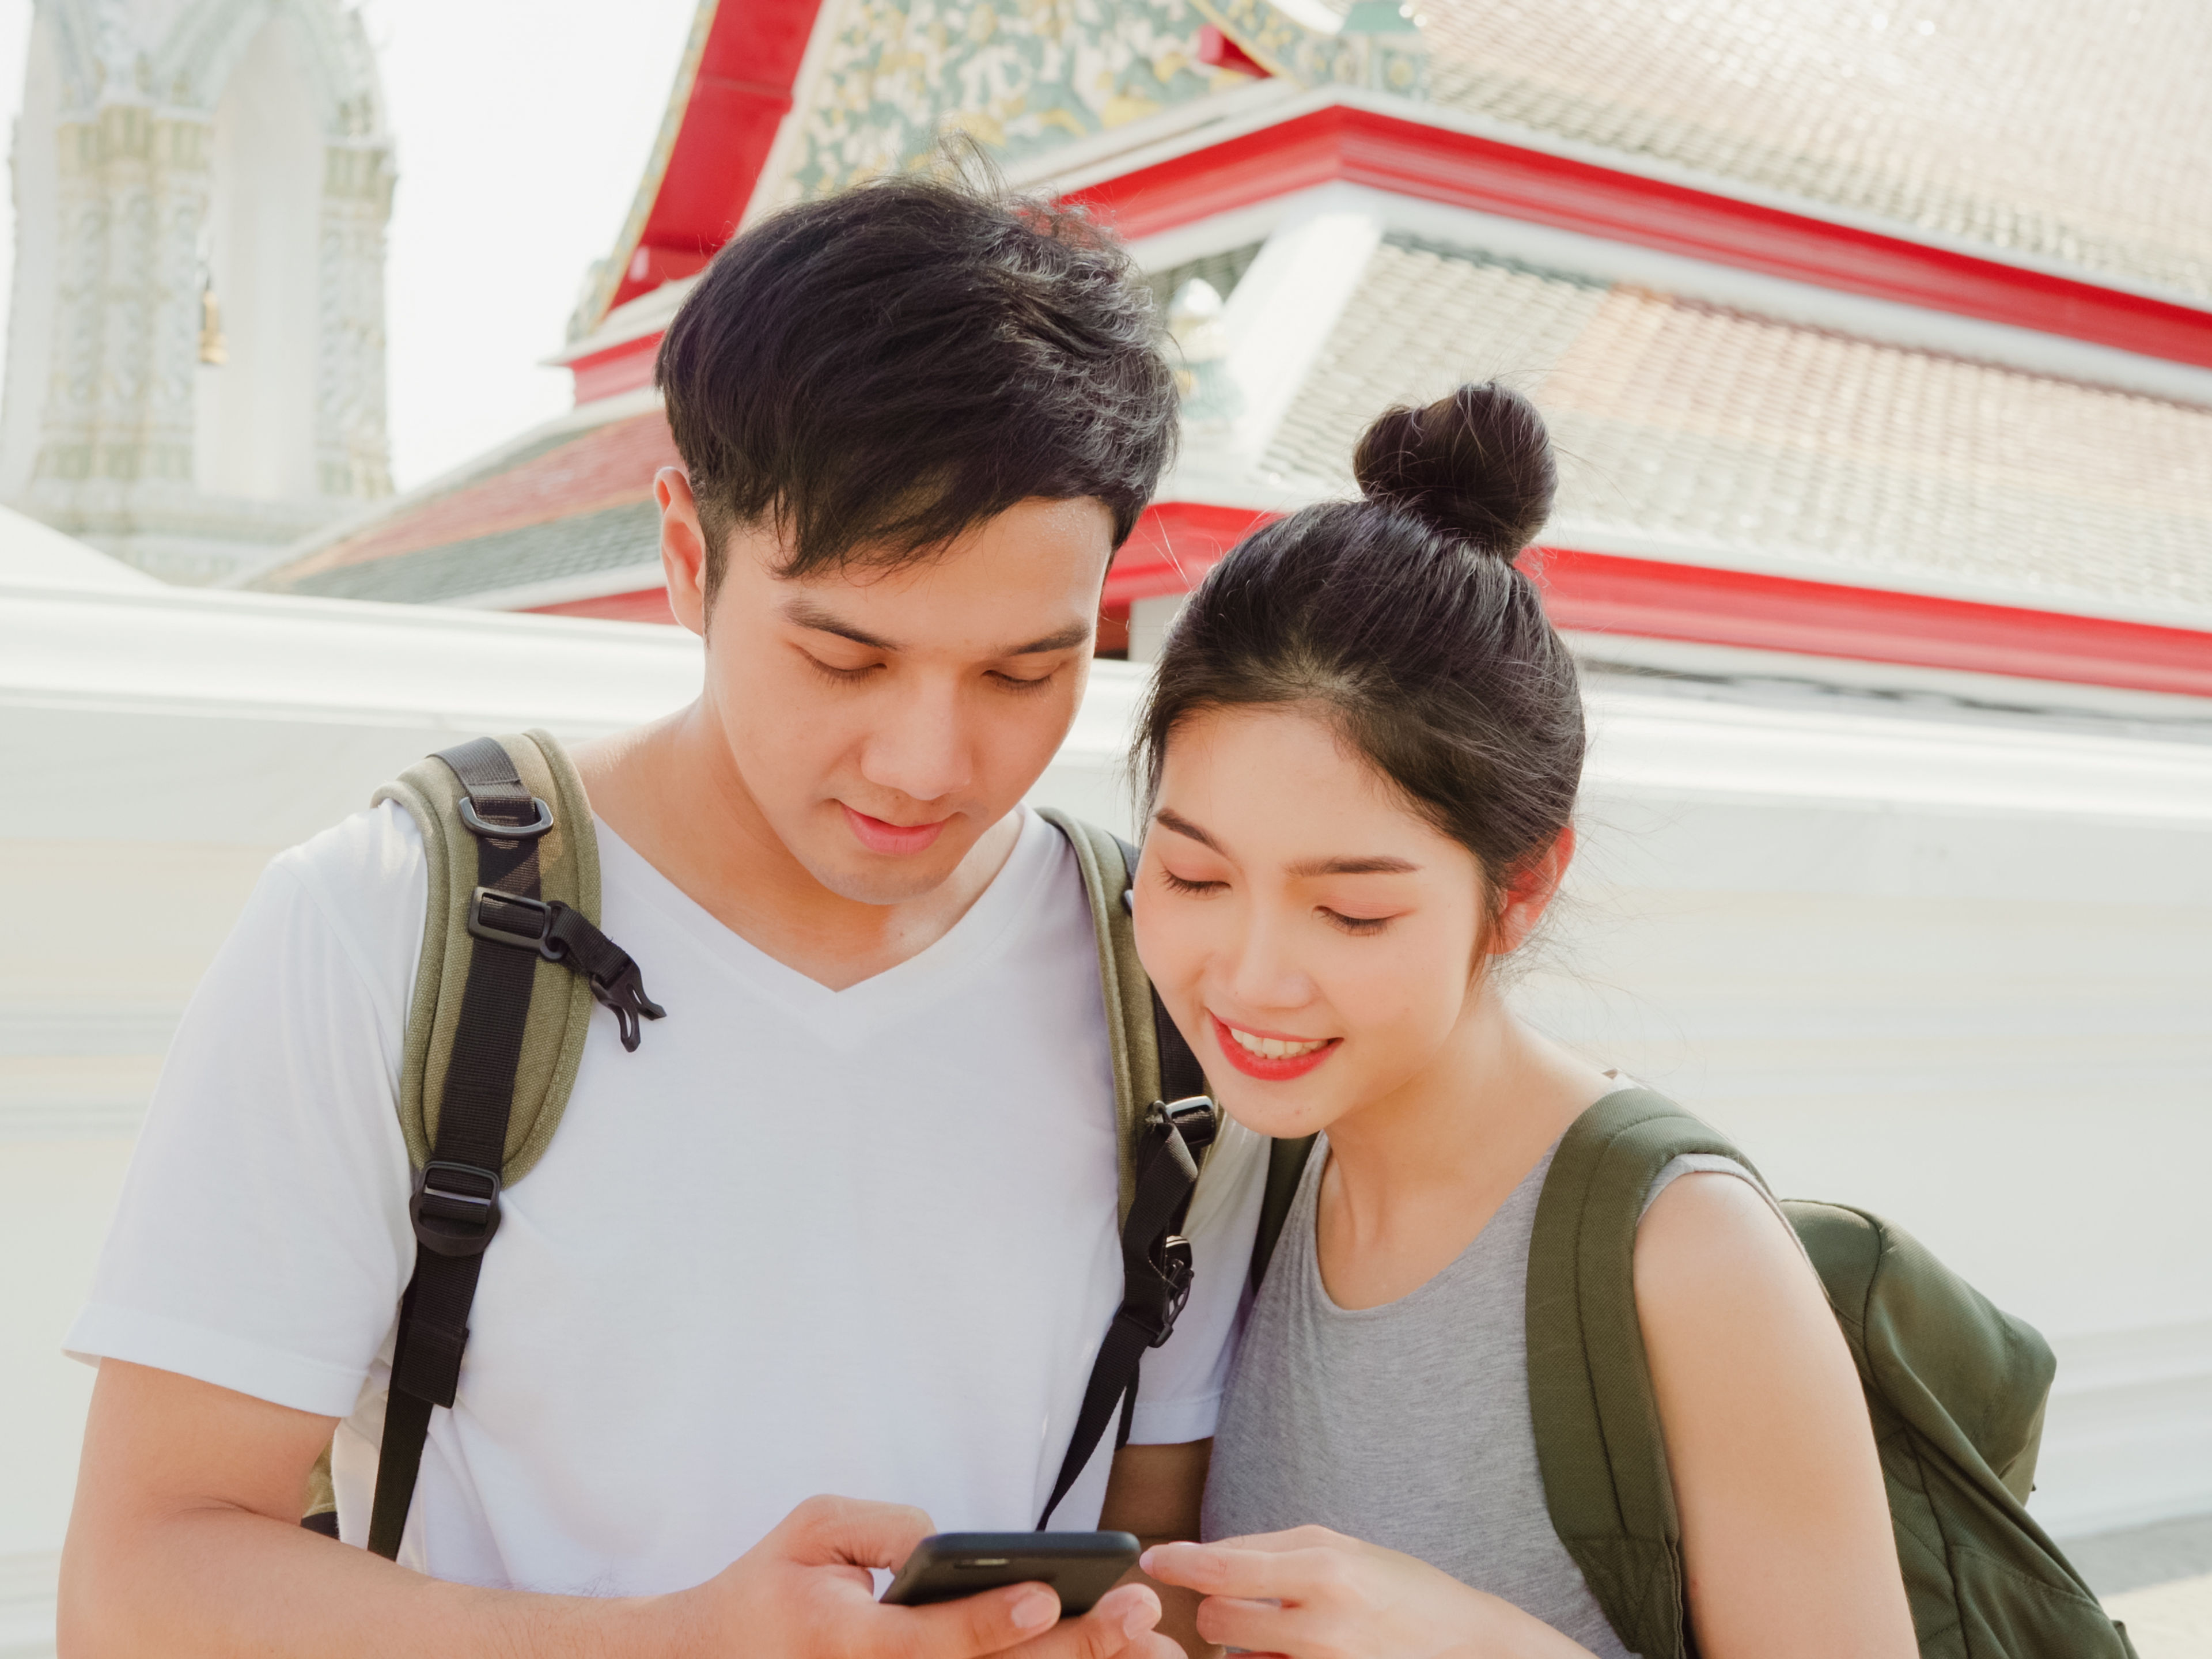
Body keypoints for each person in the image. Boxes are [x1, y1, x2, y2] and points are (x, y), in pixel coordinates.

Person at [58, 174, 1264, 1659]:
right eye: (844, 657)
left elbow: (1172, 1558)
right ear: (689, 559)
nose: (928, 763)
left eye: (1027, 673)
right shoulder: (385, 927)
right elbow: (138, 1585)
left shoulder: (1168, 981)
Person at [1124, 385, 1918, 1658]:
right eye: (1196, 879)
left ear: (1523, 888)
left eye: (1355, 913)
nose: (1253, 980)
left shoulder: (1684, 1254)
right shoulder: (1245, 1170)